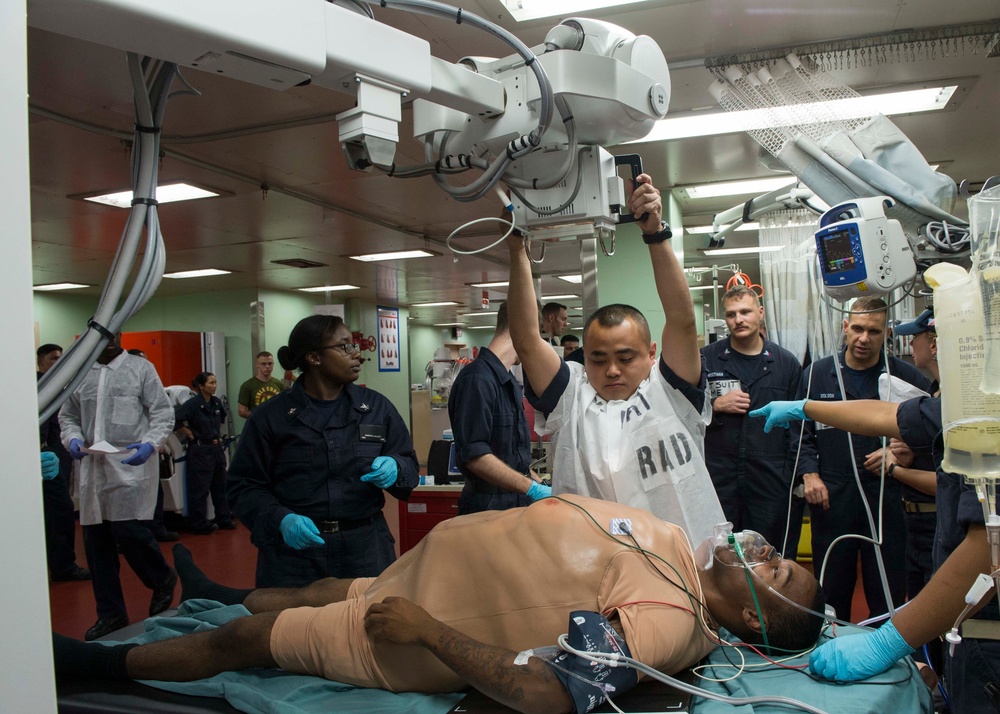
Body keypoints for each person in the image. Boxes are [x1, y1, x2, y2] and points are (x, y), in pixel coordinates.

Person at [52, 494, 826, 714]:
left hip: (407, 632)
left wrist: (427, 632)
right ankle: (219, 593)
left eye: (778, 573)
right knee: (322, 587)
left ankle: (98, 665)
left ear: (752, 620)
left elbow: (548, 691)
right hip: (427, 573)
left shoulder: (670, 620)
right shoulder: (682, 556)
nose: (766, 554)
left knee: (249, 642)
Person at [507, 174, 725, 545]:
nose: (611, 370)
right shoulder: (571, 397)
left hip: (680, 559)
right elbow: (527, 340)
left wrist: (655, 234)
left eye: (626, 358)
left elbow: (683, 320)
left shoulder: (670, 391)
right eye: (598, 359)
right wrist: (517, 249)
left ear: (651, 353)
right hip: (592, 561)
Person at [751, 393, 995, 714]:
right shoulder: (970, 406)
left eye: (779, 569)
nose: (763, 552)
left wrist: (888, 642)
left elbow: (987, 551)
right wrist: (805, 407)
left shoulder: (987, 412)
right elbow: (887, 416)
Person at [226, 315, 419, 588]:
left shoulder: (376, 409)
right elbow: (243, 486)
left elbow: (409, 465)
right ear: (314, 357)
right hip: (295, 556)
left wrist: (396, 466)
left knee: (367, 614)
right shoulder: (271, 417)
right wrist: (280, 519)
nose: (357, 354)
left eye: (354, 345)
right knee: (293, 616)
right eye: (344, 347)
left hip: (365, 548)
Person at [795, 297, 931, 622]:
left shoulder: (906, 378)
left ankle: (887, 650)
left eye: (874, 331)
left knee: (888, 595)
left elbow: (932, 434)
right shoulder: (817, 375)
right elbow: (798, 435)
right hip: (832, 498)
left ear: (887, 333)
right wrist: (809, 473)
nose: (863, 338)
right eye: (857, 328)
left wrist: (902, 450)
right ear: (845, 327)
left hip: (887, 499)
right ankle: (833, 646)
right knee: (831, 595)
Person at [58, 332, 177, 641]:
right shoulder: (81, 373)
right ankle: (111, 614)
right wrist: (72, 438)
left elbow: (162, 412)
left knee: (128, 531)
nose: (109, 339)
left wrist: (151, 443)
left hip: (129, 466)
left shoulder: (140, 368)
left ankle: (162, 577)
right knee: (97, 545)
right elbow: (68, 415)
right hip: (93, 468)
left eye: (114, 333)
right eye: (103, 334)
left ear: (121, 334)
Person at [700, 287, 805, 556]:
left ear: (760, 313)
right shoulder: (706, 360)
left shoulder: (785, 364)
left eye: (745, 312)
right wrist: (715, 405)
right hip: (719, 477)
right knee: (720, 555)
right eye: (731, 314)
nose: (738, 319)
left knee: (768, 556)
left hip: (769, 479)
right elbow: (684, 412)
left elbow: (799, 430)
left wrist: (794, 476)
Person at [448, 301, 549, 514]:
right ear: (524, 329)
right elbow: (476, 456)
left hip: (514, 502)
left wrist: (540, 485)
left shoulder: (507, 381)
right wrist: (531, 488)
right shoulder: (477, 380)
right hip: (488, 508)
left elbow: (510, 460)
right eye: (537, 336)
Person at [37, 343, 91, 582]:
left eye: (60, 358)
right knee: (60, 511)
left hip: (60, 459)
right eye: (52, 358)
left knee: (59, 512)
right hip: (47, 462)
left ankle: (60, 564)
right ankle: (63, 567)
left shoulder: (61, 388)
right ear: (40, 361)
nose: (57, 362)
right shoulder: (40, 388)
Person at [128, 348, 179, 543]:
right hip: (125, 450)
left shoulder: (151, 386)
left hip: (149, 447)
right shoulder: (121, 387)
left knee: (154, 491)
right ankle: (129, 536)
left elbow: (162, 415)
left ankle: (156, 528)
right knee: (130, 495)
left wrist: (158, 442)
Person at [174, 372, 236, 534]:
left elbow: (221, 419)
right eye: (211, 383)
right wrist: (188, 432)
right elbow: (174, 419)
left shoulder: (216, 403)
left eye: (215, 382)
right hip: (200, 450)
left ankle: (224, 518)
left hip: (216, 449)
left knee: (220, 486)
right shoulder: (192, 404)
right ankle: (199, 523)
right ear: (201, 386)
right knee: (200, 489)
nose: (214, 386)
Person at [236, 351, 285, 419]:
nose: (267, 366)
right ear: (257, 365)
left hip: (276, 423)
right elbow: (242, 411)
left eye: (270, 363)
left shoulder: (280, 385)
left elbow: (285, 406)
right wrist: (260, 419)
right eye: (263, 364)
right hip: (257, 424)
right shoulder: (247, 386)